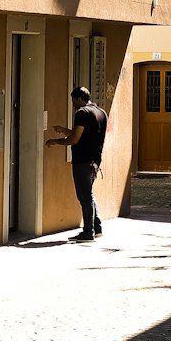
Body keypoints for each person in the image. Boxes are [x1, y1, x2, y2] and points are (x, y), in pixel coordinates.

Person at [46, 86, 108, 242]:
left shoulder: (82, 113)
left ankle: (88, 232)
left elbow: (75, 139)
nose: (72, 103)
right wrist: (64, 130)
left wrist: (55, 141)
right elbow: (85, 135)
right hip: (95, 160)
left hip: (82, 160)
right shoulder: (101, 113)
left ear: (79, 98)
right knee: (89, 194)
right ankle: (97, 226)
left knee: (84, 196)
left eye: (73, 99)